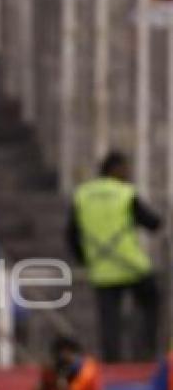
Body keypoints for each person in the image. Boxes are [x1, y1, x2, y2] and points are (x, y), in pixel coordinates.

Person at [67, 151, 162, 362]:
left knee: (109, 320)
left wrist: (85, 259)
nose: (128, 173)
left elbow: (72, 235)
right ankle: (145, 350)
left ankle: (113, 362)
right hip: (131, 265)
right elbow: (152, 223)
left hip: (101, 269)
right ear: (115, 169)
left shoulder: (82, 194)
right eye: (125, 168)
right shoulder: (124, 192)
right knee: (151, 301)